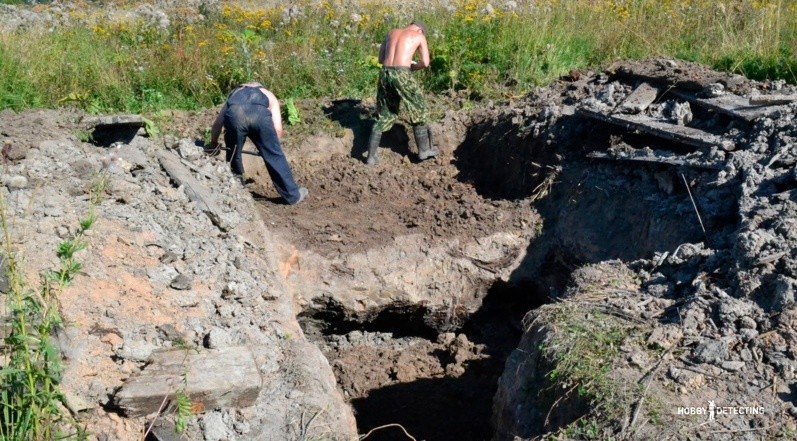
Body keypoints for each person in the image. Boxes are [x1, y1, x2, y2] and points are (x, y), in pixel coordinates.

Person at [210, 82, 308, 205]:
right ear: (260, 87)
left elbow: (217, 124)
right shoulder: (269, 95)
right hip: (260, 117)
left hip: (236, 115)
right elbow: (278, 129)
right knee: (275, 157)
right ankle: (293, 196)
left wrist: (213, 143)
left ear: (242, 87)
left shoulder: (234, 94)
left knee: (233, 154)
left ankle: (237, 192)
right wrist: (269, 147)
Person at [366, 21, 438, 165]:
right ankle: (423, 151)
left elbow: (381, 59)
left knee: (384, 113)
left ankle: (371, 157)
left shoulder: (391, 33)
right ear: (420, 30)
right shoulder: (418, 36)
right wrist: (412, 67)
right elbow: (425, 62)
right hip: (402, 73)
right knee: (418, 109)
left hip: (385, 73)